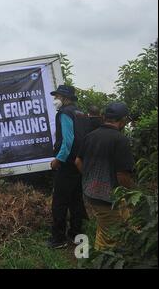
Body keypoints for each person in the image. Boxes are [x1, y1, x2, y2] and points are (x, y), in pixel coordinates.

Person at [75, 102, 134, 251]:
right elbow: (122, 175)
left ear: (103, 117)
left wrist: (91, 178)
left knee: (108, 225)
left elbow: (78, 161)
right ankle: (104, 260)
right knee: (112, 239)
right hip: (109, 198)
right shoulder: (120, 140)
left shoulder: (90, 136)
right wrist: (129, 196)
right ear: (123, 120)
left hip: (91, 193)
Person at [48, 85, 88, 249]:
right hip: (79, 162)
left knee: (59, 202)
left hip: (67, 164)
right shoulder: (80, 113)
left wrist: (59, 159)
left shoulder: (64, 113)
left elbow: (68, 141)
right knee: (76, 200)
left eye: (57, 96)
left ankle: (58, 239)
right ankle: (76, 234)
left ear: (65, 98)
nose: (55, 100)